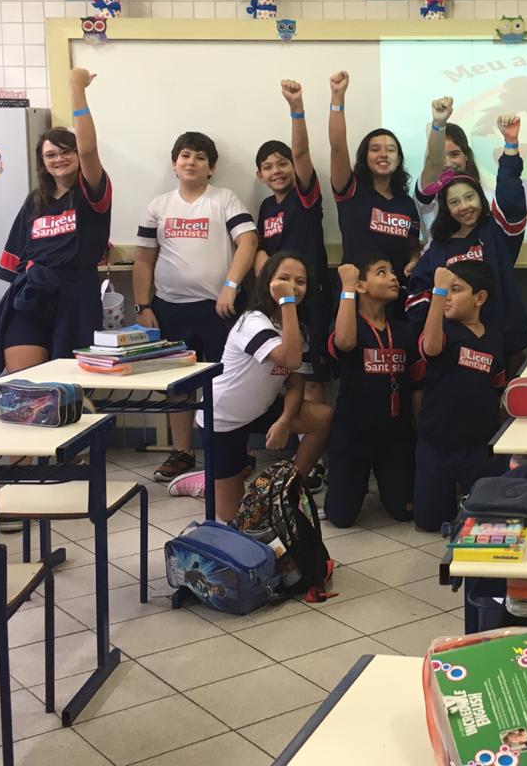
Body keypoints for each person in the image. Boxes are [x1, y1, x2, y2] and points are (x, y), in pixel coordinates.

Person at [0, 67, 111, 387]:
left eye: (66, 151)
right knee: (24, 386)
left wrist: (77, 89)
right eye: (51, 154)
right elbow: (14, 263)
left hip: (77, 297)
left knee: (67, 388)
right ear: (43, 162)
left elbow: (89, 149)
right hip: (33, 294)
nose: (59, 158)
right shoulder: (35, 201)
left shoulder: (91, 192)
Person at [135, 131, 258, 483]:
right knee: (178, 385)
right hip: (170, 308)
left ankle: (236, 452)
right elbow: (143, 260)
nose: (192, 162)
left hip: (219, 308)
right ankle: (182, 452)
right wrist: (143, 306)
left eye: (200, 157)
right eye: (185, 156)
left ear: (211, 168)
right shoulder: (158, 206)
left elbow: (248, 241)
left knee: (227, 383)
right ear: (174, 165)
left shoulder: (224, 199)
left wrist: (230, 286)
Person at [190, 252, 334, 522]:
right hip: (223, 418)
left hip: (259, 409)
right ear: (267, 282)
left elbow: (296, 382)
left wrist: (285, 422)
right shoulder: (253, 321)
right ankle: (201, 480)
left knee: (322, 416)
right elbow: (289, 359)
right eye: (284, 279)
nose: (292, 286)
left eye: (300, 281)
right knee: (232, 516)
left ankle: (289, 493)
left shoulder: (296, 328)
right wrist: (287, 301)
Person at [407, 116, 527, 361]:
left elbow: (510, 196)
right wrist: (431, 330)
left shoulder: (497, 233)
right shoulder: (438, 246)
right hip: (451, 352)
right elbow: (419, 293)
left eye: (469, 198)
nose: (464, 206)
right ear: (446, 208)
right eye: (454, 202)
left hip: (501, 345)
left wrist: (510, 144)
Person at [411, 260, 507, 531]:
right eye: (445, 290)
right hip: (436, 444)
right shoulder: (442, 330)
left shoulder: (494, 338)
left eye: (456, 289)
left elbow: (498, 386)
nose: (448, 297)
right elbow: (430, 347)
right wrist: (437, 293)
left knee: (487, 518)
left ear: (480, 298)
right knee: (430, 522)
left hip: (478, 446)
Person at [255, 79, 332, 402]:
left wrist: (296, 109)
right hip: (278, 303)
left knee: (312, 378)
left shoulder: (304, 197)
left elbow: (301, 151)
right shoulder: (265, 208)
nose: (277, 170)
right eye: (268, 167)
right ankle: (289, 430)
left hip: (311, 297)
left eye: (283, 163)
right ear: (260, 176)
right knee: (284, 375)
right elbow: (261, 249)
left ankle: (312, 435)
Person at [326, 257, 415, 527]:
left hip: (395, 434)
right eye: (382, 272)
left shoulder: (403, 330)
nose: (393, 277)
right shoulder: (348, 324)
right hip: (353, 433)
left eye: (393, 271)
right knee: (340, 518)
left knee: (404, 512)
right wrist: (347, 286)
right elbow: (344, 342)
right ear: (361, 286)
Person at [327, 70, 421, 292]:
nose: (384, 154)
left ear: (399, 159)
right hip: (357, 294)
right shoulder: (350, 190)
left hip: (396, 294)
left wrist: (415, 259)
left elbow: (412, 247)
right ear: (364, 156)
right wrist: (337, 98)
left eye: (391, 150)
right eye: (375, 149)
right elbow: (338, 146)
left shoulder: (406, 204)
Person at [415, 95, 480, 233]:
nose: (447, 163)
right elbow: (435, 163)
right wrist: (439, 123)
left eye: (454, 154)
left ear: (466, 155)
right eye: (441, 157)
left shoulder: (484, 193)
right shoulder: (429, 195)